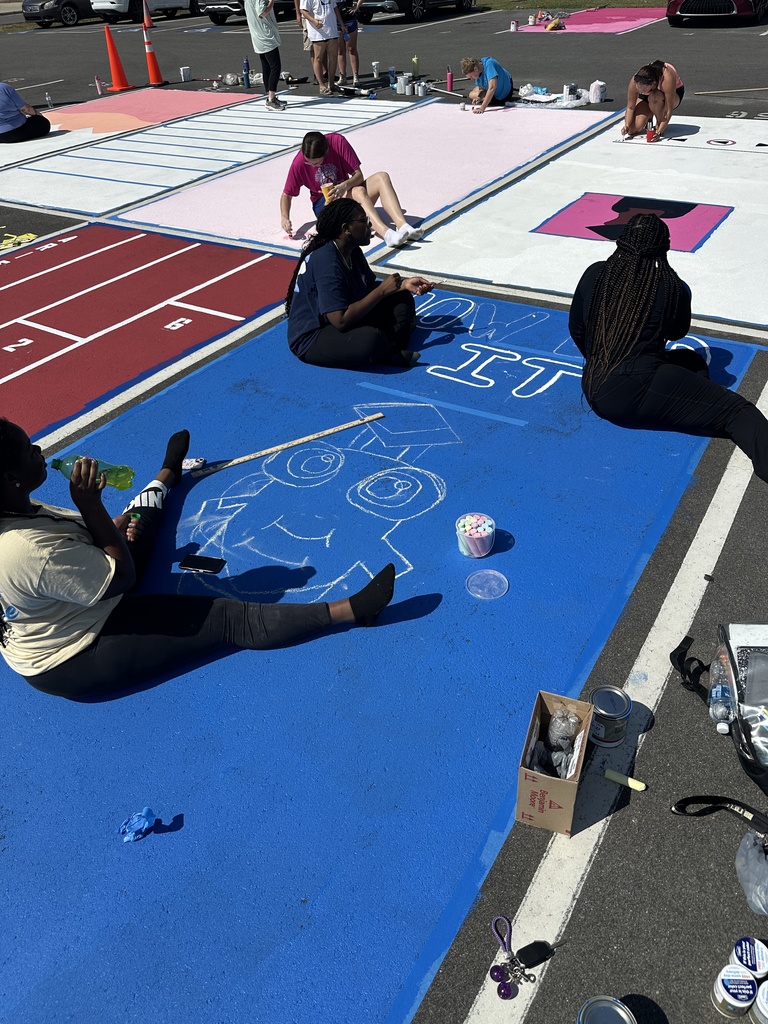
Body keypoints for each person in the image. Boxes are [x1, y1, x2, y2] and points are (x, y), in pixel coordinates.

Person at [0, 421, 397, 698]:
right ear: (9, 478)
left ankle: (168, 473)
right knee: (223, 617)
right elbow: (119, 577)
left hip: (73, 594)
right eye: (29, 450)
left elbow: (72, 546)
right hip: (74, 650)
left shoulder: (11, 508)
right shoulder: (23, 548)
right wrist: (91, 508)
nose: (39, 451)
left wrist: (108, 524)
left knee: (135, 521)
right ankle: (350, 611)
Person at [568, 213, 768, 483]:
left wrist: (603, 359)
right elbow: (678, 331)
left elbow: (577, 328)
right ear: (664, 248)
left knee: (691, 362)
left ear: (622, 240)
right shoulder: (673, 287)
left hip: (593, 382)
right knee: (739, 412)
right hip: (632, 393)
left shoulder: (594, 273)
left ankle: (683, 408)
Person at [285, 198, 433, 370]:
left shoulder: (352, 250)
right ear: (346, 229)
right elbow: (340, 321)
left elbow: (367, 287)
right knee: (370, 339)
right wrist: (382, 291)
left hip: (344, 314)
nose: (369, 225)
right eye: (364, 221)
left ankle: (385, 347)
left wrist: (404, 284)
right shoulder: (327, 261)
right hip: (314, 335)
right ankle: (385, 348)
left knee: (402, 298)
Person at [280, 131, 422, 247]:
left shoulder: (338, 142)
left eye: (317, 163)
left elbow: (358, 175)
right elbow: (287, 194)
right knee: (359, 191)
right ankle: (386, 234)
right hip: (324, 204)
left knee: (382, 177)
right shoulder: (298, 163)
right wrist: (285, 218)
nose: (313, 166)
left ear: (327, 150)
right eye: (308, 162)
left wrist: (344, 186)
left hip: (346, 191)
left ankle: (402, 225)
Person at [622, 60, 684, 141]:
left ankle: (658, 122)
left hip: (670, 96)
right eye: (639, 90)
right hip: (649, 97)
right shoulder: (635, 81)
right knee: (632, 130)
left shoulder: (667, 78)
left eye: (643, 90)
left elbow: (668, 109)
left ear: (654, 84)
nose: (640, 92)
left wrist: (659, 132)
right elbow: (630, 107)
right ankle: (649, 116)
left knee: (655, 96)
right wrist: (627, 126)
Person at [245, 0, 286, 112]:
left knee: (266, 66)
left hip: (258, 34)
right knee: (275, 66)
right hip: (265, 35)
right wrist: (271, 2)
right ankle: (271, 99)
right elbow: (262, 12)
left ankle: (270, 96)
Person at [300, 0, 340, 95]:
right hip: (318, 32)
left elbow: (335, 8)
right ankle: (322, 86)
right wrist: (314, 21)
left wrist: (341, 24)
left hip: (332, 29)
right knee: (318, 58)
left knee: (333, 58)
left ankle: (331, 84)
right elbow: (303, 10)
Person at [335, 0, 362, 86]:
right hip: (337, 22)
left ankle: (355, 76)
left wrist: (356, 7)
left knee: (352, 49)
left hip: (349, 20)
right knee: (340, 50)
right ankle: (342, 76)